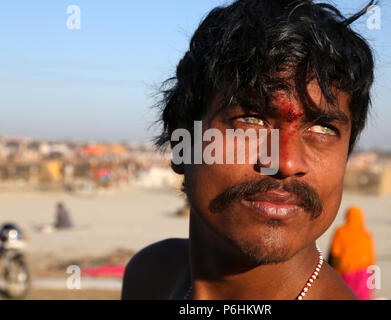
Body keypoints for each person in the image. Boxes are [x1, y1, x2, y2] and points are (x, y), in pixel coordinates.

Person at [122, 0, 375, 300]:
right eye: (251, 120)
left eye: (323, 129)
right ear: (181, 142)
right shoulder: (153, 276)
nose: (286, 162)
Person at [329, 206, 376, 300]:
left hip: (346, 272)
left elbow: (335, 253)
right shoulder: (366, 234)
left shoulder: (341, 231)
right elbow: (371, 257)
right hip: (363, 273)